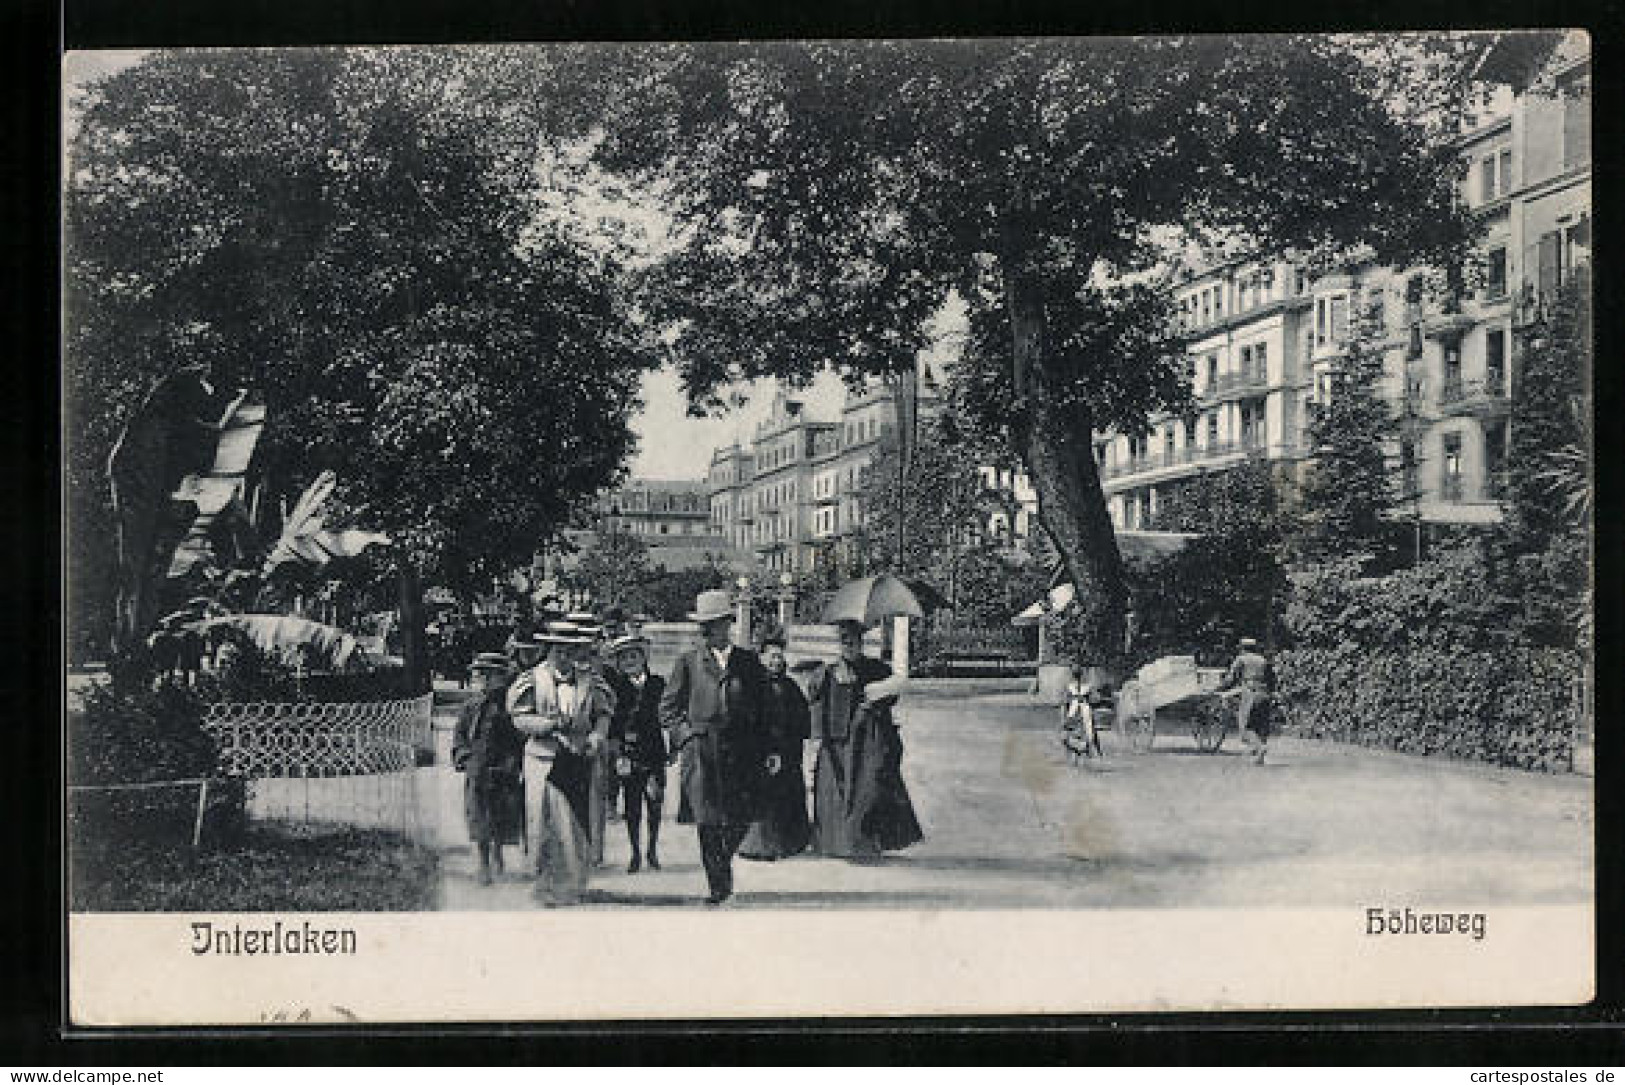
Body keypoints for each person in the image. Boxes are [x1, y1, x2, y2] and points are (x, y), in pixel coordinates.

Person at [659, 589, 771, 904]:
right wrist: (686, 737)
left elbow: (765, 709)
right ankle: (718, 888)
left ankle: (721, 863)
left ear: (727, 624)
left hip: (741, 752)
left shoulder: (748, 662)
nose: (707, 631)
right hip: (702, 751)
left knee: (741, 816)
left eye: (713, 624)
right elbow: (668, 708)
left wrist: (768, 748)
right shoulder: (688, 662)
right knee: (707, 819)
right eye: (702, 625)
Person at [507, 624, 615, 905]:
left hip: (578, 758)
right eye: (558, 651)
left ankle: (574, 884)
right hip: (543, 760)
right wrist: (549, 725)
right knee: (544, 822)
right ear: (548, 651)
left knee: (575, 821)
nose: (564, 657)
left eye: (570, 650)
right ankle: (543, 885)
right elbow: (519, 717)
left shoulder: (590, 681)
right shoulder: (532, 679)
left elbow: (603, 714)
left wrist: (597, 736)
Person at [807, 619, 923, 859]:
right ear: (839, 644)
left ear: (861, 643)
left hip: (868, 739)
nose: (849, 646)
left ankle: (866, 842)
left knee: (869, 787)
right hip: (838, 742)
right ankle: (836, 844)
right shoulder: (828, 671)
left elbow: (892, 696)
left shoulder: (876, 668)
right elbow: (815, 698)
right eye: (844, 641)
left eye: (854, 641)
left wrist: (874, 702)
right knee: (835, 791)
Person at [451, 652, 525, 885]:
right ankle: (483, 864)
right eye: (480, 675)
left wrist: (513, 762)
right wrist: (463, 755)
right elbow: (460, 734)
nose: (484, 680)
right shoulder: (471, 706)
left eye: (490, 675)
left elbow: (519, 737)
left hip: (503, 769)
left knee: (501, 816)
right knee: (479, 817)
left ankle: (498, 854)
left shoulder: (511, 706)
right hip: (478, 767)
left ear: (503, 677)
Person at [739, 629, 812, 861]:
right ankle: (759, 846)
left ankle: (789, 842)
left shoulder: (790, 686)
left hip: (788, 750)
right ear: (761, 657)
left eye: (779, 656)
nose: (776, 661)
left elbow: (803, 717)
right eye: (771, 656)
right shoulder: (753, 685)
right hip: (760, 749)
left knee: (787, 795)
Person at [605, 632, 668, 873]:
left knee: (654, 802)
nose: (630, 661)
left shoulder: (658, 684)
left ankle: (652, 848)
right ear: (619, 663)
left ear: (643, 658)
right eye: (624, 658)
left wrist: (670, 748)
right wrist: (618, 752)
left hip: (653, 753)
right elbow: (611, 723)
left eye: (634, 656)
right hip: (628, 754)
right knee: (632, 806)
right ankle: (635, 852)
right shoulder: (616, 688)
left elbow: (667, 716)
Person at [1221, 636, 1275, 765]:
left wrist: (1218, 687)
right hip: (1265, 694)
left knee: (1245, 727)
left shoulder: (1241, 659)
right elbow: (1271, 679)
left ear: (1242, 649)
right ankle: (1259, 758)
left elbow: (1231, 679)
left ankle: (1260, 747)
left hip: (1251, 693)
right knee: (1261, 726)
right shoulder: (1263, 660)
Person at [1061, 664, 1103, 763]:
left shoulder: (1069, 687)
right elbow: (1096, 699)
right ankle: (1085, 751)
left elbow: (1064, 703)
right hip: (1083, 712)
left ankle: (1077, 754)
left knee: (1073, 732)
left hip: (1075, 713)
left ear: (1072, 674)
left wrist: (1063, 716)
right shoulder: (1087, 686)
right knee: (1087, 732)